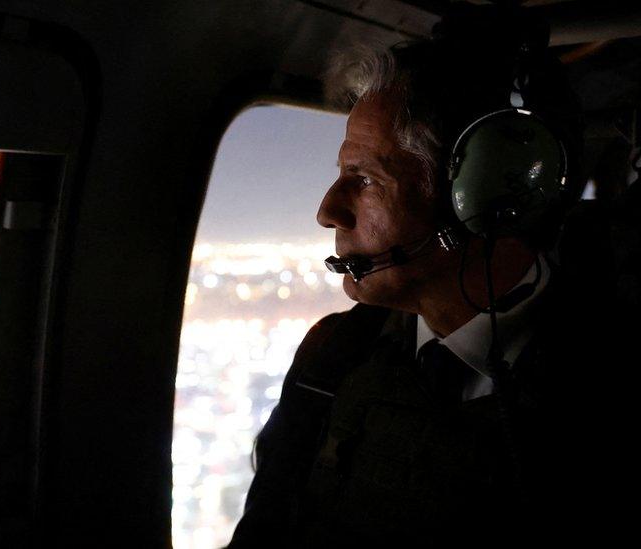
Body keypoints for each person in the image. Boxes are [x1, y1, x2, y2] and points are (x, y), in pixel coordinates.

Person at [227, 7, 630, 548]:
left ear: (486, 196)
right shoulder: (335, 355)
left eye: (364, 179)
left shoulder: (609, 385)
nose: (328, 211)